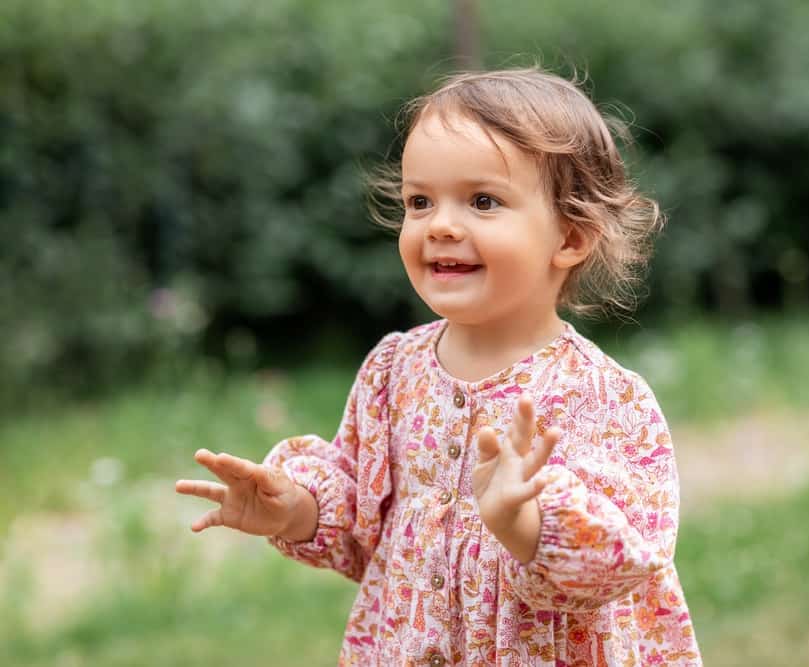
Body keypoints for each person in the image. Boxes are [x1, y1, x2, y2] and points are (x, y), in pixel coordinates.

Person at [175, 66, 702, 666]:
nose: (441, 225)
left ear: (571, 237)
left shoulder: (604, 397)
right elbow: (361, 521)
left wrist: (524, 522)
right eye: (419, 201)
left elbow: (628, 559)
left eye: (482, 201)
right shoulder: (393, 373)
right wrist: (292, 509)